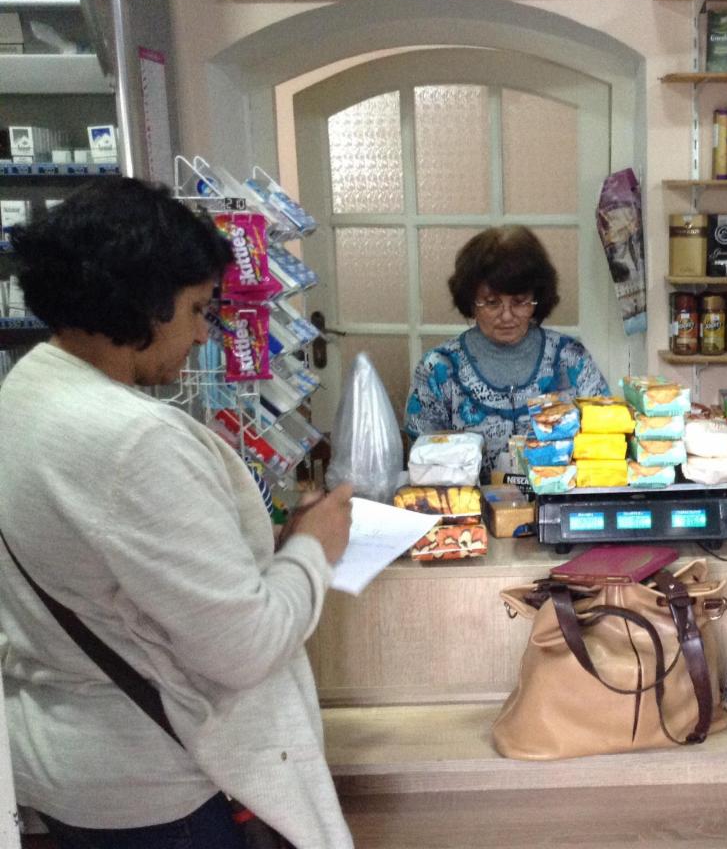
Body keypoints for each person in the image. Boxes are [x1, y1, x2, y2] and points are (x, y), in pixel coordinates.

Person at [0, 179, 354, 848]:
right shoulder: (133, 440)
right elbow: (246, 648)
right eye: (195, 308)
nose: (199, 333)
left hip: (68, 758)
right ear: (144, 302)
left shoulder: (24, 391)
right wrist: (314, 548)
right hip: (159, 783)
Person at [405, 225, 609, 476]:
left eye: (520, 302)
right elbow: (422, 462)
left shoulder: (571, 359)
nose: (507, 316)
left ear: (537, 298)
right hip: (466, 501)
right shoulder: (439, 368)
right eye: (492, 303)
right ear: (471, 301)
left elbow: (605, 441)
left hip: (557, 498)